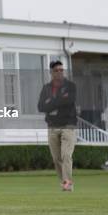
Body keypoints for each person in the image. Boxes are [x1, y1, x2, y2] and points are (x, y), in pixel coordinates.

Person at [37, 60, 77, 192]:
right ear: (51, 72)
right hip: (52, 126)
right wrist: (59, 101)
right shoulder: (46, 88)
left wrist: (51, 102)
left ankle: (68, 183)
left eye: (61, 70)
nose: (60, 72)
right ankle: (64, 182)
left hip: (68, 125)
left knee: (66, 155)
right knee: (56, 158)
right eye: (56, 70)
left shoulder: (70, 86)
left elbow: (69, 101)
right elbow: (41, 106)